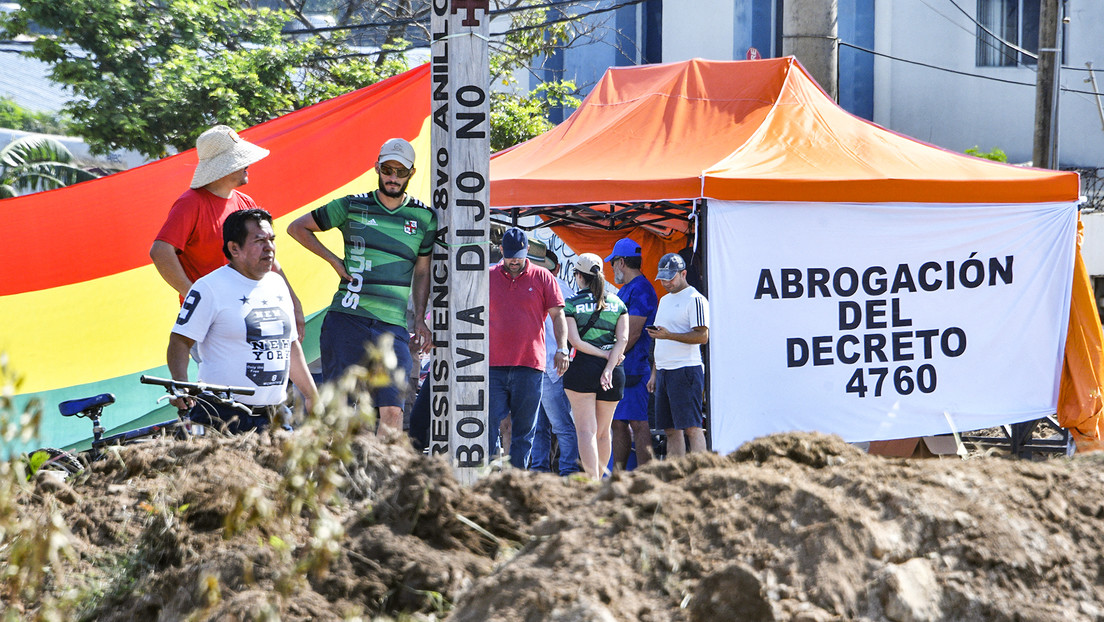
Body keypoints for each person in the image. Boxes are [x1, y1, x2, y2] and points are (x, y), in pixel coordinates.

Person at [287, 138, 437, 437]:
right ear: (377, 168)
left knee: (393, 411)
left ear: (411, 173)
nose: (392, 177)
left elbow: (422, 272)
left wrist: (420, 318)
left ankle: (377, 478)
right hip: (347, 319)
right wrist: (333, 260)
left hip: (392, 326)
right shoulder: (352, 204)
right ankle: (343, 477)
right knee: (340, 407)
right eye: (387, 169)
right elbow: (296, 227)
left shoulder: (424, 218)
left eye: (400, 171)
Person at [167, 209, 318, 433]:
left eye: (271, 239)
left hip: (272, 416)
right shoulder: (208, 287)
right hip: (222, 416)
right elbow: (180, 341)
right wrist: (181, 384)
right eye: (259, 241)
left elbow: (290, 346)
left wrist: (312, 396)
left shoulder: (277, 284)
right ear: (234, 248)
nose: (269, 247)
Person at [151, 125, 305, 337]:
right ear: (225, 166)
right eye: (241, 159)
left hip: (248, 312)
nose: (248, 164)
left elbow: (265, 256)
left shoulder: (246, 202)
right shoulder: (190, 203)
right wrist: (194, 296)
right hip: (211, 320)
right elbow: (160, 251)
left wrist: (292, 301)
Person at [489, 227, 570, 469]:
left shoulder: (544, 277)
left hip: (530, 365)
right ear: (501, 250)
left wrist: (562, 347)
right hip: (494, 365)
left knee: (525, 431)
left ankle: (516, 482)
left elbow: (558, 316)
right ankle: (491, 478)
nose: (514, 261)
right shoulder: (489, 275)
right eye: (510, 255)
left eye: (520, 256)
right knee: (489, 426)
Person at [562, 253, 629, 480]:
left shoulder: (571, 304)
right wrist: (609, 365)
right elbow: (623, 340)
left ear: (579, 276)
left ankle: (591, 485)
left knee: (586, 431)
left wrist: (602, 355)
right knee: (603, 433)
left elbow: (575, 342)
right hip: (614, 370)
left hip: (582, 367)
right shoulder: (618, 303)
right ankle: (600, 482)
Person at [647, 252, 710, 458]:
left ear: (683, 274)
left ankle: (701, 472)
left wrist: (669, 335)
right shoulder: (664, 300)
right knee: (670, 429)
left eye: (670, 277)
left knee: (691, 427)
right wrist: (655, 373)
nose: (666, 282)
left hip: (686, 368)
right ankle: (676, 474)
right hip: (666, 370)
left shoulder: (695, 299)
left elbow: (703, 336)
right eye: (663, 278)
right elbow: (659, 338)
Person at [605, 237, 658, 470]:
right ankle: (617, 475)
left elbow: (633, 333)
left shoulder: (642, 289)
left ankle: (647, 478)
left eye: (612, 263)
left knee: (638, 423)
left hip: (635, 367)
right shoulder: (626, 289)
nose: (612, 268)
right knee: (617, 422)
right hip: (623, 367)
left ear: (621, 262)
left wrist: (610, 359)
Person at [529, 251, 580, 475]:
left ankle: (556, 468)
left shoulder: (538, 285)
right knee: (550, 424)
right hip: (547, 363)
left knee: (551, 424)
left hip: (547, 363)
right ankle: (556, 468)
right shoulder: (562, 288)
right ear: (557, 268)